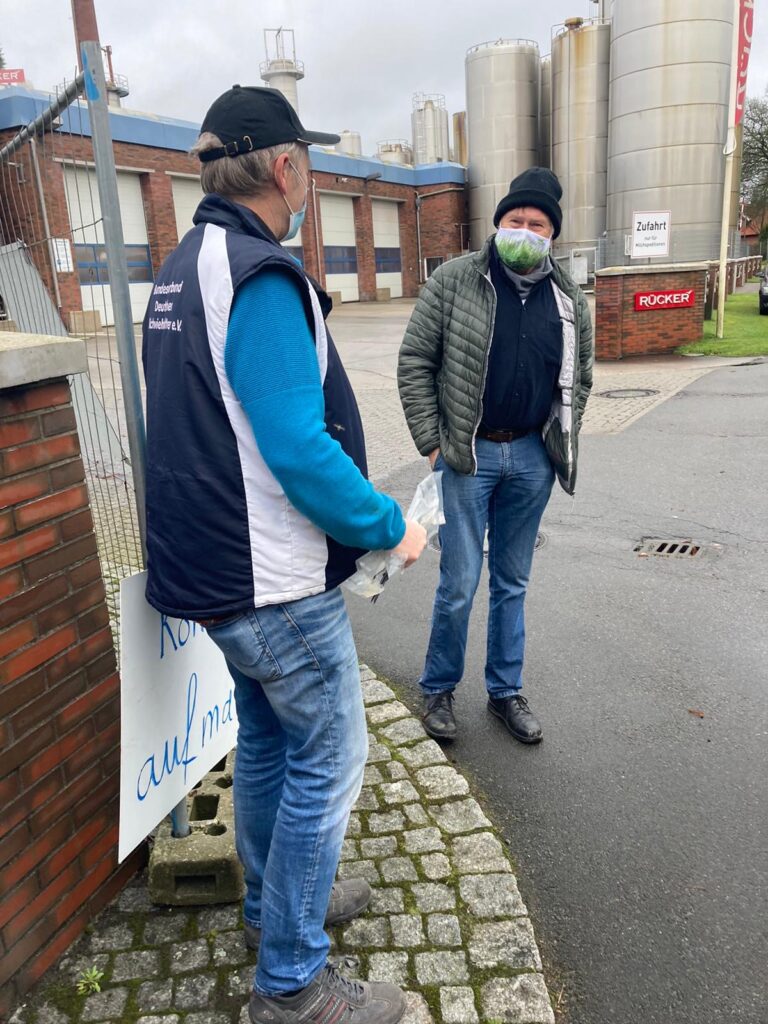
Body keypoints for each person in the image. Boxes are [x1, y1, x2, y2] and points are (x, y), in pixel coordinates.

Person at [142, 85, 425, 1024]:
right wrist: (390, 524)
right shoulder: (261, 275)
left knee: (267, 741)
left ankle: (274, 909)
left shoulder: (185, 265)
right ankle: (294, 984)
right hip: (270, 582)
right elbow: (299, 449)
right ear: (287, 167)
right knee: (330, 761)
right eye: (310, 164)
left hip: (213, 574)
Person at [398, 167, 593, 745]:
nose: (525, 231)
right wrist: (433, 444)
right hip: (467, 458)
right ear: (499, 223)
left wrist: (560, 435)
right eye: (516, 220)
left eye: (537, 224)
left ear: (552, 234)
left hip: (532, 457)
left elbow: (579, 377)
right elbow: (415, 363)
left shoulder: (568, 298)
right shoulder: (456, 280)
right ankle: (437, 690)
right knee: (459, 581)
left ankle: (505, 692)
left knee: (513, 582)